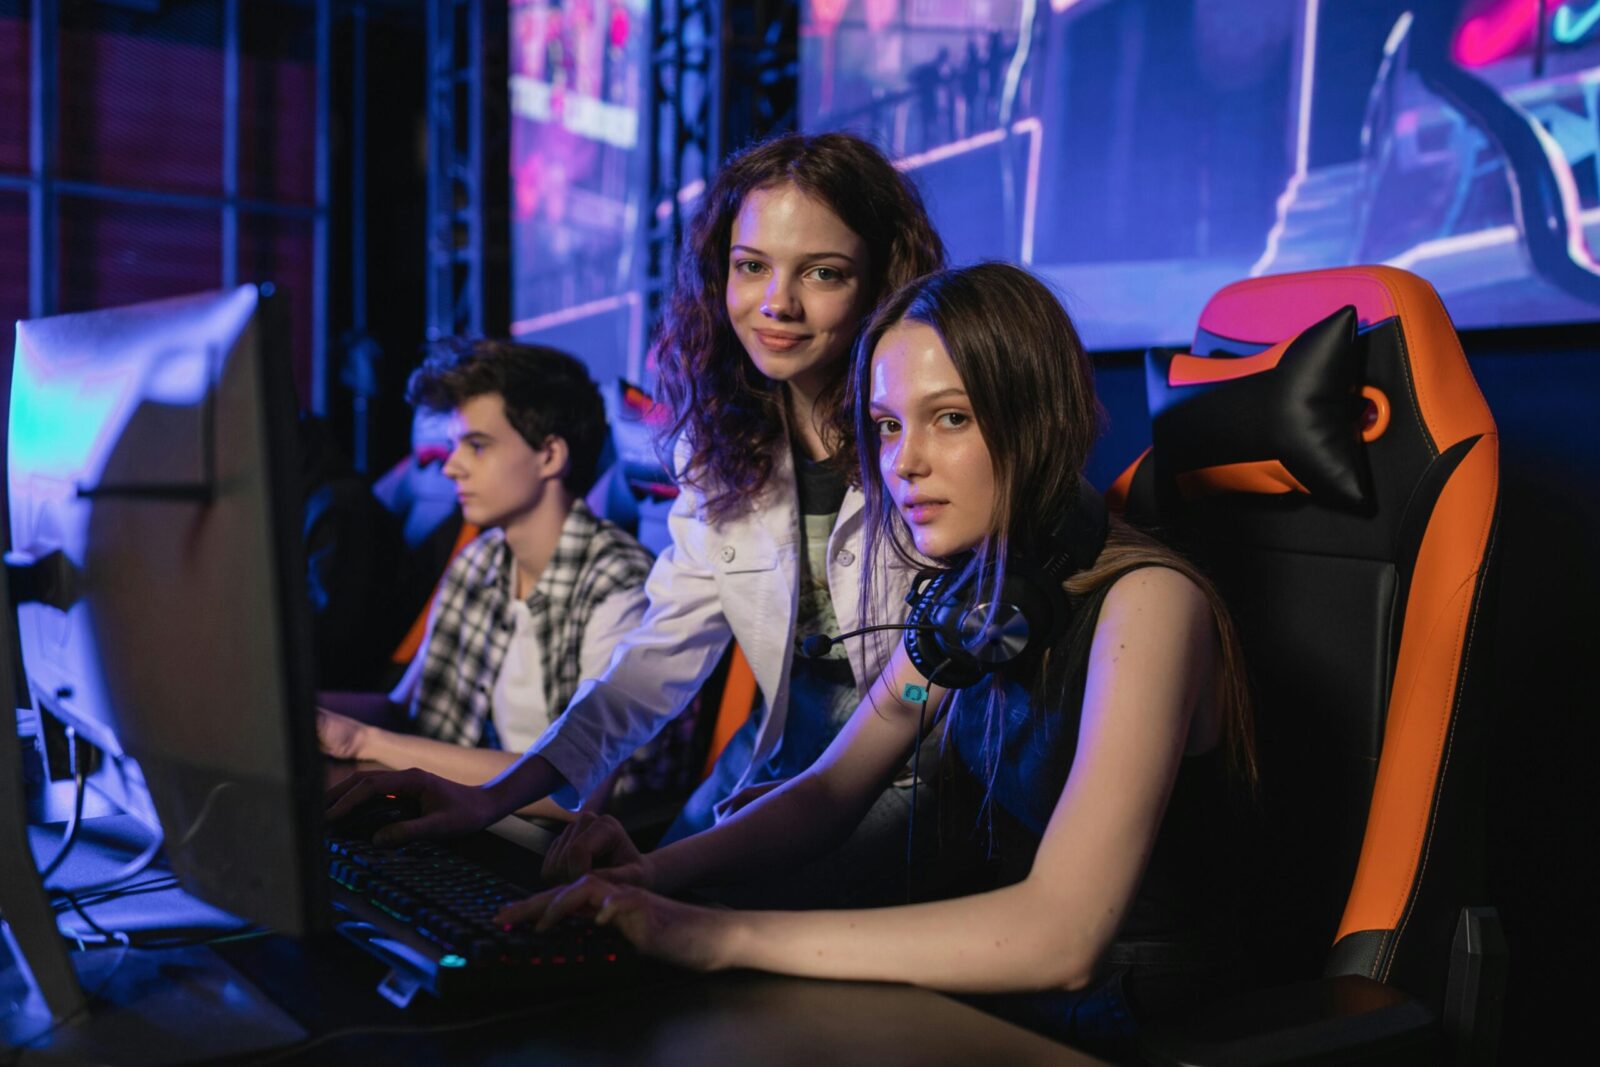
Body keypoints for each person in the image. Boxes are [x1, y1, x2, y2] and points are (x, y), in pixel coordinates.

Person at [493, 264, 1257, 1055]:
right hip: (993, 1007)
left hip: (1124, 1029)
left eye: (950, 418)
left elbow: (1060, 937)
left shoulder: (1151, 605)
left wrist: (716, 934)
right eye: (889, 425)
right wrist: (656, 872)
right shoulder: (971, 603)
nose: (904, 462)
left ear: (1037, 419)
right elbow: (829, 790)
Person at [328, 132, 947, 885]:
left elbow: (924, 702)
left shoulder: (934, 439)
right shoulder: (721, 448)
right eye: (751, 267)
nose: (776, 303)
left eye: (822, 272)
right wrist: (491, 799)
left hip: (921, 779)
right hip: (784, 762)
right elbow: (654, 663)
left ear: (883, 281)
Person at [317, 339, 654, 814]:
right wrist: (293, 710)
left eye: (477, 446)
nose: (452, 465)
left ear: (550, 456)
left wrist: (362, 742)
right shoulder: (480, 561)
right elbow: (403, 709)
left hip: (563, 853)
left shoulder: (619, 582)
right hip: (464, 824)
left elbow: (584, 789)